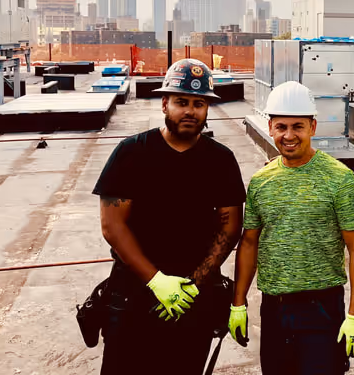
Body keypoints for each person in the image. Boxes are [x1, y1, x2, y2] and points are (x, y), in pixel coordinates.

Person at [94, 59, 246, 374]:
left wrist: (194, 285)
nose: (190, 111)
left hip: (193, 301)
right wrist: (155, 280)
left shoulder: (221, 161)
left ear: (207, 109)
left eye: (199, 103)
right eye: (181, 102)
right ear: (165, 104)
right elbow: (112, 226)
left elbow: (230, 227)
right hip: (132, 296)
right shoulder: (132, 153)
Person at [229, 81, 354, 374]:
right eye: (281, 127)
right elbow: (249, 243)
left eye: (298, 126)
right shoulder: (260, 181)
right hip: (274, 309)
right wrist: (238, 303)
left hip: (321, 308)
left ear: (313, 127)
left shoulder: (339, 180)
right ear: (270, 127)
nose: (289, 135)